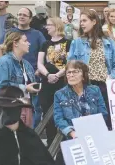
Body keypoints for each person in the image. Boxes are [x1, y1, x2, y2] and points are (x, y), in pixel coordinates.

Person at [53, 60, 108, 165]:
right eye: (68, 72)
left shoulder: (95, 90)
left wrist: (91, 127)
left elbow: (103, 113)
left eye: (75, 71)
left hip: (92, 138)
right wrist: (71, 132)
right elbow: (58, 118)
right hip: (73, 139)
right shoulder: (60, 94)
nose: (70, 75)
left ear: (83, 74)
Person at [68, 10, 115, 130]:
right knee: (86, 125)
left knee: (106, 124)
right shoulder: (77, 42)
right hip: (84, 87)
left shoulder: (109, 42)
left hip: (104, 87)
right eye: (80, 21)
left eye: (84, 21)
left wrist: (111, 77)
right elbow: (71, 66)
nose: (81, 24)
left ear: (94, 22)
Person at [0, 7, 46, 127]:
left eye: (24, 15)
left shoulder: (37, 34)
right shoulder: (10, 33)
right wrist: (3, 64)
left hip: (32, 74)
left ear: (30, 18)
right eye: (19, 14)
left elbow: (45, 50)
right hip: (13, 77)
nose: (21, 17)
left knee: (34, 107)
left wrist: (40, 67)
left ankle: (33, 132)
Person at [0, 31, 40, 128]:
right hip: (8, 109)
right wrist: (25, 88)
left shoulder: (27, 65)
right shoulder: (3, 62)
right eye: (25, 41)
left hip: (26, 108)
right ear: (15, 43)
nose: (29, 43)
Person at [36, 17, 71, 147]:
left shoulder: (68, 43)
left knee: (63, 112)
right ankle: (51, 142)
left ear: (57, 26)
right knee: (47, 112)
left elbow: (70, 62)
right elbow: (40, 63)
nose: (46, 27)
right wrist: (48, 74)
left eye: (49, 25)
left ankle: (63, 142)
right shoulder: (45, 44)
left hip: (62, 81)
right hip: (48, 82)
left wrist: (57, 74)